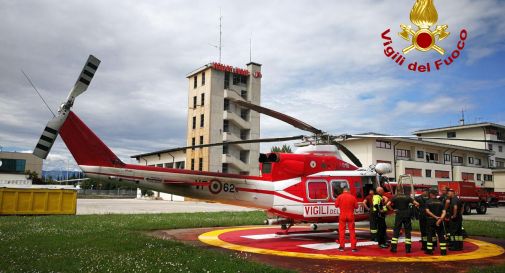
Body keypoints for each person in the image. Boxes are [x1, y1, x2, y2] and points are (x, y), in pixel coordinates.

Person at [335, 187, 359, 252]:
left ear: (343, 191)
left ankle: (341, 247)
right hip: (350, 215)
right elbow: (356, 206)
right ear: (349, 191)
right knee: (352, 231)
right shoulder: (352, 197)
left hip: (342, 215)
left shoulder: (339, 197)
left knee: (342, 231)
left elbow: (336, 205)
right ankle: (353, 247)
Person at [425, 190, 447, 255]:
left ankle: (429, 251)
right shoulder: (440, 202)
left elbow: (427, 211)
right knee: (441, 235)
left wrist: (435, 217)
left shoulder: (428, 202)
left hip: (430, 220)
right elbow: (444, 212)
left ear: (431, 194)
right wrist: (440, 219)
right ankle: (443, 251)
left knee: (430, 235)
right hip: (439, 221)